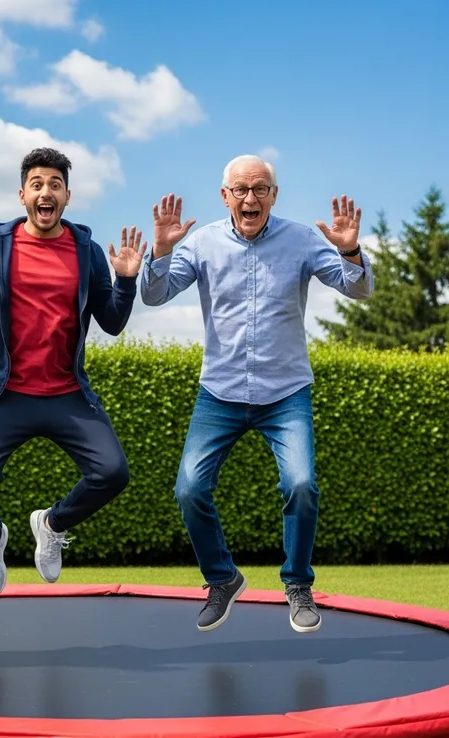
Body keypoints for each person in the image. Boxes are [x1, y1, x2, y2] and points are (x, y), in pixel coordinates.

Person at [141, 154, 374, 634]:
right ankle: (222, 578)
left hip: (286, 392)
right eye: (241, 190)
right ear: (225, 195)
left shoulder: (301, 240)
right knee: (189, 489)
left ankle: (298, 584)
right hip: (219, 392)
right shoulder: (201, 243)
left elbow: (359, 290)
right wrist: (161, 251)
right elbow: (153, 295)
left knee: (301, 485)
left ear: (274, 195)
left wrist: (351, 251)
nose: (251, 198)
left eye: (261, 189)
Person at [0, 147, 145, 596]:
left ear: (67, 196)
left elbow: (112, 322)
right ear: (22, 195)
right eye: (37, 184)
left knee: (113, 473)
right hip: (4, 393)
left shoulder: (86, 251)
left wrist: (125, 281)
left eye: (54, 185)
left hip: (66, 393)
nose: (45, 192)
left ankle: (52, 524)